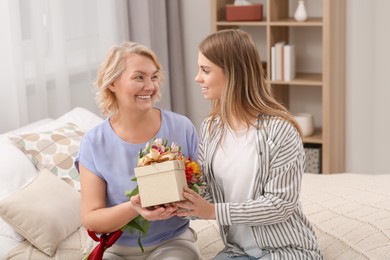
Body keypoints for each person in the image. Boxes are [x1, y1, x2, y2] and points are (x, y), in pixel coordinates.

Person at [177, 29, 322, 259]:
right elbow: (207, 193)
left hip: (286, 250)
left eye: (205, 70)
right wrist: (178, 201)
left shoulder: (280, 130)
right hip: (238, 251)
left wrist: (214, 212)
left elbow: (280, 205)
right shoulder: (211, 128)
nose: (197, 78)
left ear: (233, 73)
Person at [75, 41, 201, 260]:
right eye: (139, 77)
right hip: (116, 249)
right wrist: (134, 207)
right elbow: (91, 218)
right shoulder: (93, 143)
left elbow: (203, 189)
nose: (150, 86)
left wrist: (184, 201)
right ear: (113, 83)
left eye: (153, 77)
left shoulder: (181, 127)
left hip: (172, 243)